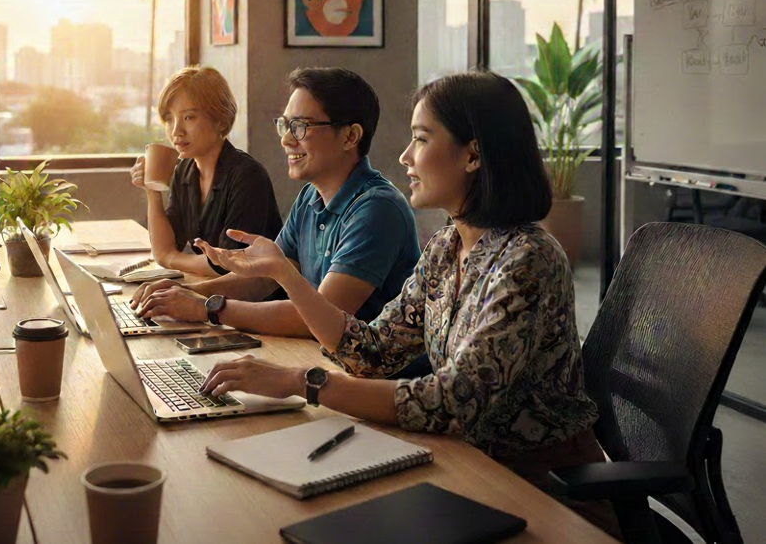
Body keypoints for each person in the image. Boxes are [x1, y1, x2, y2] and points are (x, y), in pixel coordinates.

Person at [196, 71, 606, 487]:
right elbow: (372, 351)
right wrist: (284, 272)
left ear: (472, 156)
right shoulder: (446, 247)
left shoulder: (528, 260)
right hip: (465, 458)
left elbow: (453, 401)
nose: (405, 156)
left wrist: (300, 381)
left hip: (543, 484)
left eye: (422, 139)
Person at [133, 67, 420, 337]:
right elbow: (264, 278)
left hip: (374, 380)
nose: (285, 140)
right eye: (284, 125)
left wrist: (205, 307)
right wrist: (190, 293)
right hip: (323, 359)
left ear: (350, 136)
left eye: (300, 126)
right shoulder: (310, 196)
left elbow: (325, 317)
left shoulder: (376, 209)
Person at [130, 65, 282, 277]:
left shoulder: (247, 176)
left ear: (220, 120)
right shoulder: (185, 169)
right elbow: (166, 244)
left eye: (189, 117)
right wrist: (152, 191)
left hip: (257, 301)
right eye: (169, 118)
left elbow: (229, 264)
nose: (176, 131)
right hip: (213, 291)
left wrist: (171, 258)